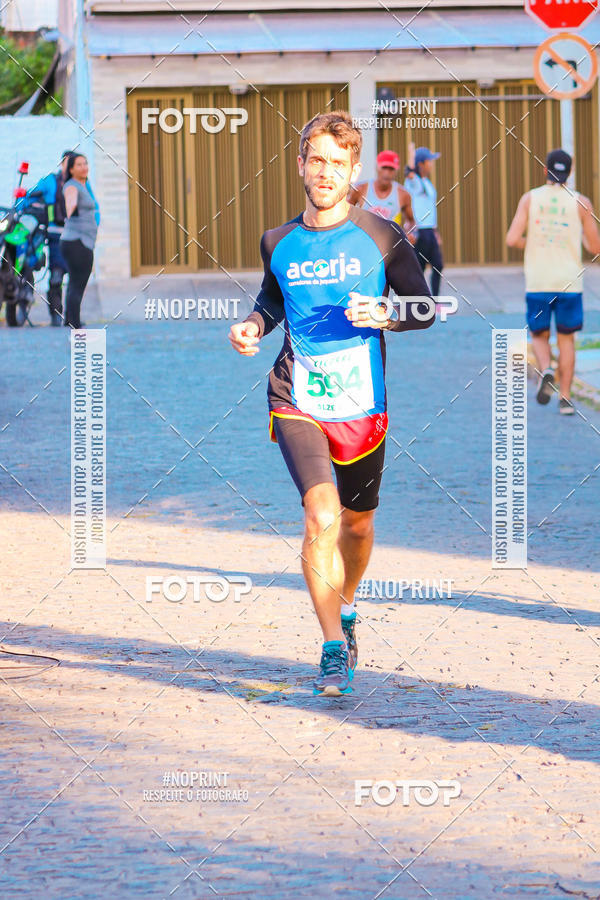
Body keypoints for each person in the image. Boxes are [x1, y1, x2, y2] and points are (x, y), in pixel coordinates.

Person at [228, 111, 434, 697]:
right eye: (316, 160)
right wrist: (250, 325)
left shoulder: (381, 236)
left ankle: (346, 606)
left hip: (363, 406)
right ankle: (331, 648)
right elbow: (271, 300)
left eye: (337, 163)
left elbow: (426, 309)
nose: (325, 172)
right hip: (297, 394)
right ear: (300, 164)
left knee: (359, 525)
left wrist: (388, 314)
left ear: (354, 170)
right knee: (321, 514)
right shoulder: (277, 240)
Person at [506, 149, 600, 415]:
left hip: (539, 281)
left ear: (544, 170)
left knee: (539, 334)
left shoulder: (530, 199)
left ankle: (546, 367)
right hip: (570, 281)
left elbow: (512, 239)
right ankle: (566, 399)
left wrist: (533, 245)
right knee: (567, 339)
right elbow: (596, 246)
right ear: (569, 173)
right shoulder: (581, 202)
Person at [17, 149, 71, 326]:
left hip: (74, 236)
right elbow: (30, 195)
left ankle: (67, 315)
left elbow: (93, 208)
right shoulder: (50, 181)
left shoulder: (81, 185)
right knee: (47, 270)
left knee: (67, 276)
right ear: (62, 163)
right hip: (54, 233)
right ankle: (53, 314)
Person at [60, 153, 100, 329]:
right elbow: (70, 200)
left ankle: (70, 319)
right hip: (77, 242)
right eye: (79, 165)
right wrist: (70, 208)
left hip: (80, 241)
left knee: (75, 282)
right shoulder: (72, 186)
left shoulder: (84, 184)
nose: (84, 167)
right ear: (71, 169)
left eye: (85, 163)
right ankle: (75, 324)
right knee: (78, 283)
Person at [348, 149, 416, 242]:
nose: (387, 173)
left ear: (396, 170)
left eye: (391, 169)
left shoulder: (403, 194)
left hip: (391, 246)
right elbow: (344, 214)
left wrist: (410, 234)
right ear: (377, 167)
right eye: (384, 167)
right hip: (365, 243)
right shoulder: (361, 189)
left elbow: (411, 222)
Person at [404, 147, 443, 296]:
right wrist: (411, 158)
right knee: (418, 269)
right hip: (419, 231)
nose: (432, 164)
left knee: (438, 265)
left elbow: (430, 208)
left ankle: (435, 300)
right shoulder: (414, 182)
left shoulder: (426, 181)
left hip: (430, 231)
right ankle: (418, 300)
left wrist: (436, 231)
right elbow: (410, 173)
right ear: (421, 164)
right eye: (429, 161)